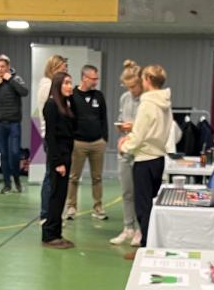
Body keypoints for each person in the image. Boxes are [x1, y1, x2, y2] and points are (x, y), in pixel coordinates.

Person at [119, 64, 171, 249]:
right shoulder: (165, 102)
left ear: (147, 80)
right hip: (158, 158)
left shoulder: (147, 103)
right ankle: (150, 243)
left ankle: (145, 247)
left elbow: (139, 135)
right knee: (151, 203)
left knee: (143, 208)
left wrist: (125, 146)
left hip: (144, 160)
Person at [0, 54, 29, 193]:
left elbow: (24, 92)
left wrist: (11, 80)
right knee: (4, 154)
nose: (1, 69)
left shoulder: (16, 78)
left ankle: (17, 180)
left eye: (3, 66)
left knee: (14, 153)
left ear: (8, 67)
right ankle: (7, 184)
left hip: (14, 123)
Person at [66, 64, 108, 221]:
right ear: (84, 78)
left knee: (97, 178)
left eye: (97, 78)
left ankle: (98, 207)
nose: (96, 82)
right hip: (78, 143)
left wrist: (104, 138)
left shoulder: (99, 96)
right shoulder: (73, 95)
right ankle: (71, 207)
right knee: (74, 177)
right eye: (93, 78)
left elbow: (104, 118)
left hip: (98, 142)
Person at [109, 59, 143, 245]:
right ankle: (127, 228)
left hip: (141, 151)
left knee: (141, 193)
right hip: (125, 149)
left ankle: (140, 229)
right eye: (127, 86)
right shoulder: (124, 98)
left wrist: (134, 126)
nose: (131, 90)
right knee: (127, 192)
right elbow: (122, 118)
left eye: (134, 86)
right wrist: (121, 127)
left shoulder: (148, 99)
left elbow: (149, 127)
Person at [41, 72, 76, 249]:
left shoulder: (66, 103)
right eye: (67, 83)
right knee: (55, 196)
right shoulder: (51, 105)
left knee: (61, 196)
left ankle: (57, 232)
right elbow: (51, 137)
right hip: (58, 155)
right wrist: (57, 162)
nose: (70, 86)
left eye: (71, 83)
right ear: (58, 85)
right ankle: (49, 234)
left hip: (67, 153)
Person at [36, 54, 68, 221]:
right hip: (50, 135)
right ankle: (45, 213)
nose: (65, 72)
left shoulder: (55, 86)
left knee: (54, 176)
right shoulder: (47, 86)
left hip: (56, 135)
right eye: (62, 68)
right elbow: (46, 113)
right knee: (50, 175)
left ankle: (53, 213)